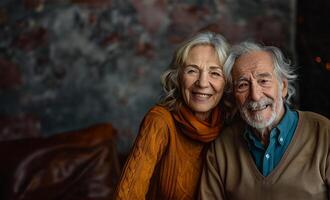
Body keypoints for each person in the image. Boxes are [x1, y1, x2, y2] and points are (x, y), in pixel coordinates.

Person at [199, 41, 330, 200]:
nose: (255, 95)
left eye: (263, 81)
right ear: (233, 95)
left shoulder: (324, 133)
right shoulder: (222, 147)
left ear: (283, 87)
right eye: (243, 85)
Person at [114, 32, 229, 200]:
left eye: (215, 73)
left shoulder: (231, 124)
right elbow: (128, 194)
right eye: (192, 71)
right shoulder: (160, 121)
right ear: (178, 77)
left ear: (227, 82)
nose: (203, 83)